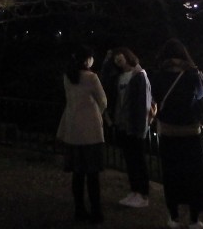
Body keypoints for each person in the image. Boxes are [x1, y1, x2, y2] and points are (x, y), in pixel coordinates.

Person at [152, 38, 203, 229]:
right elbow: (200, 94)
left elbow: (155, 97)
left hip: (167, 130)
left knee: (171, 174)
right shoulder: (192, 74)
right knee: (194, 174)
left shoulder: (158, 75)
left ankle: (173, 216)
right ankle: (194, 219)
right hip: (190, 130)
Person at [56, 45, 107, 224]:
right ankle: (96, 212)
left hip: (73, 129)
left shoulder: (67, 77)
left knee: (78, 174)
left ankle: (79, 210)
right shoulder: (91, 77)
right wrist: (95, 113)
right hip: (91, 131)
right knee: (92, 175)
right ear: (87, 59)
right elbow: (103, 101)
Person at [111, 46, 153, 209]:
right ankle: (134, 191)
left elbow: (142, 103)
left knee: (138, 160)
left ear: (127, 55)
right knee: (130, 159)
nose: (117, 59)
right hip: (123, 123)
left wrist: (140, 127)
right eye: (115, 58)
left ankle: (143, 194)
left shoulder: (139, 75)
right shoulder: (120, 76)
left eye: (119, 55)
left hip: (135, 125)